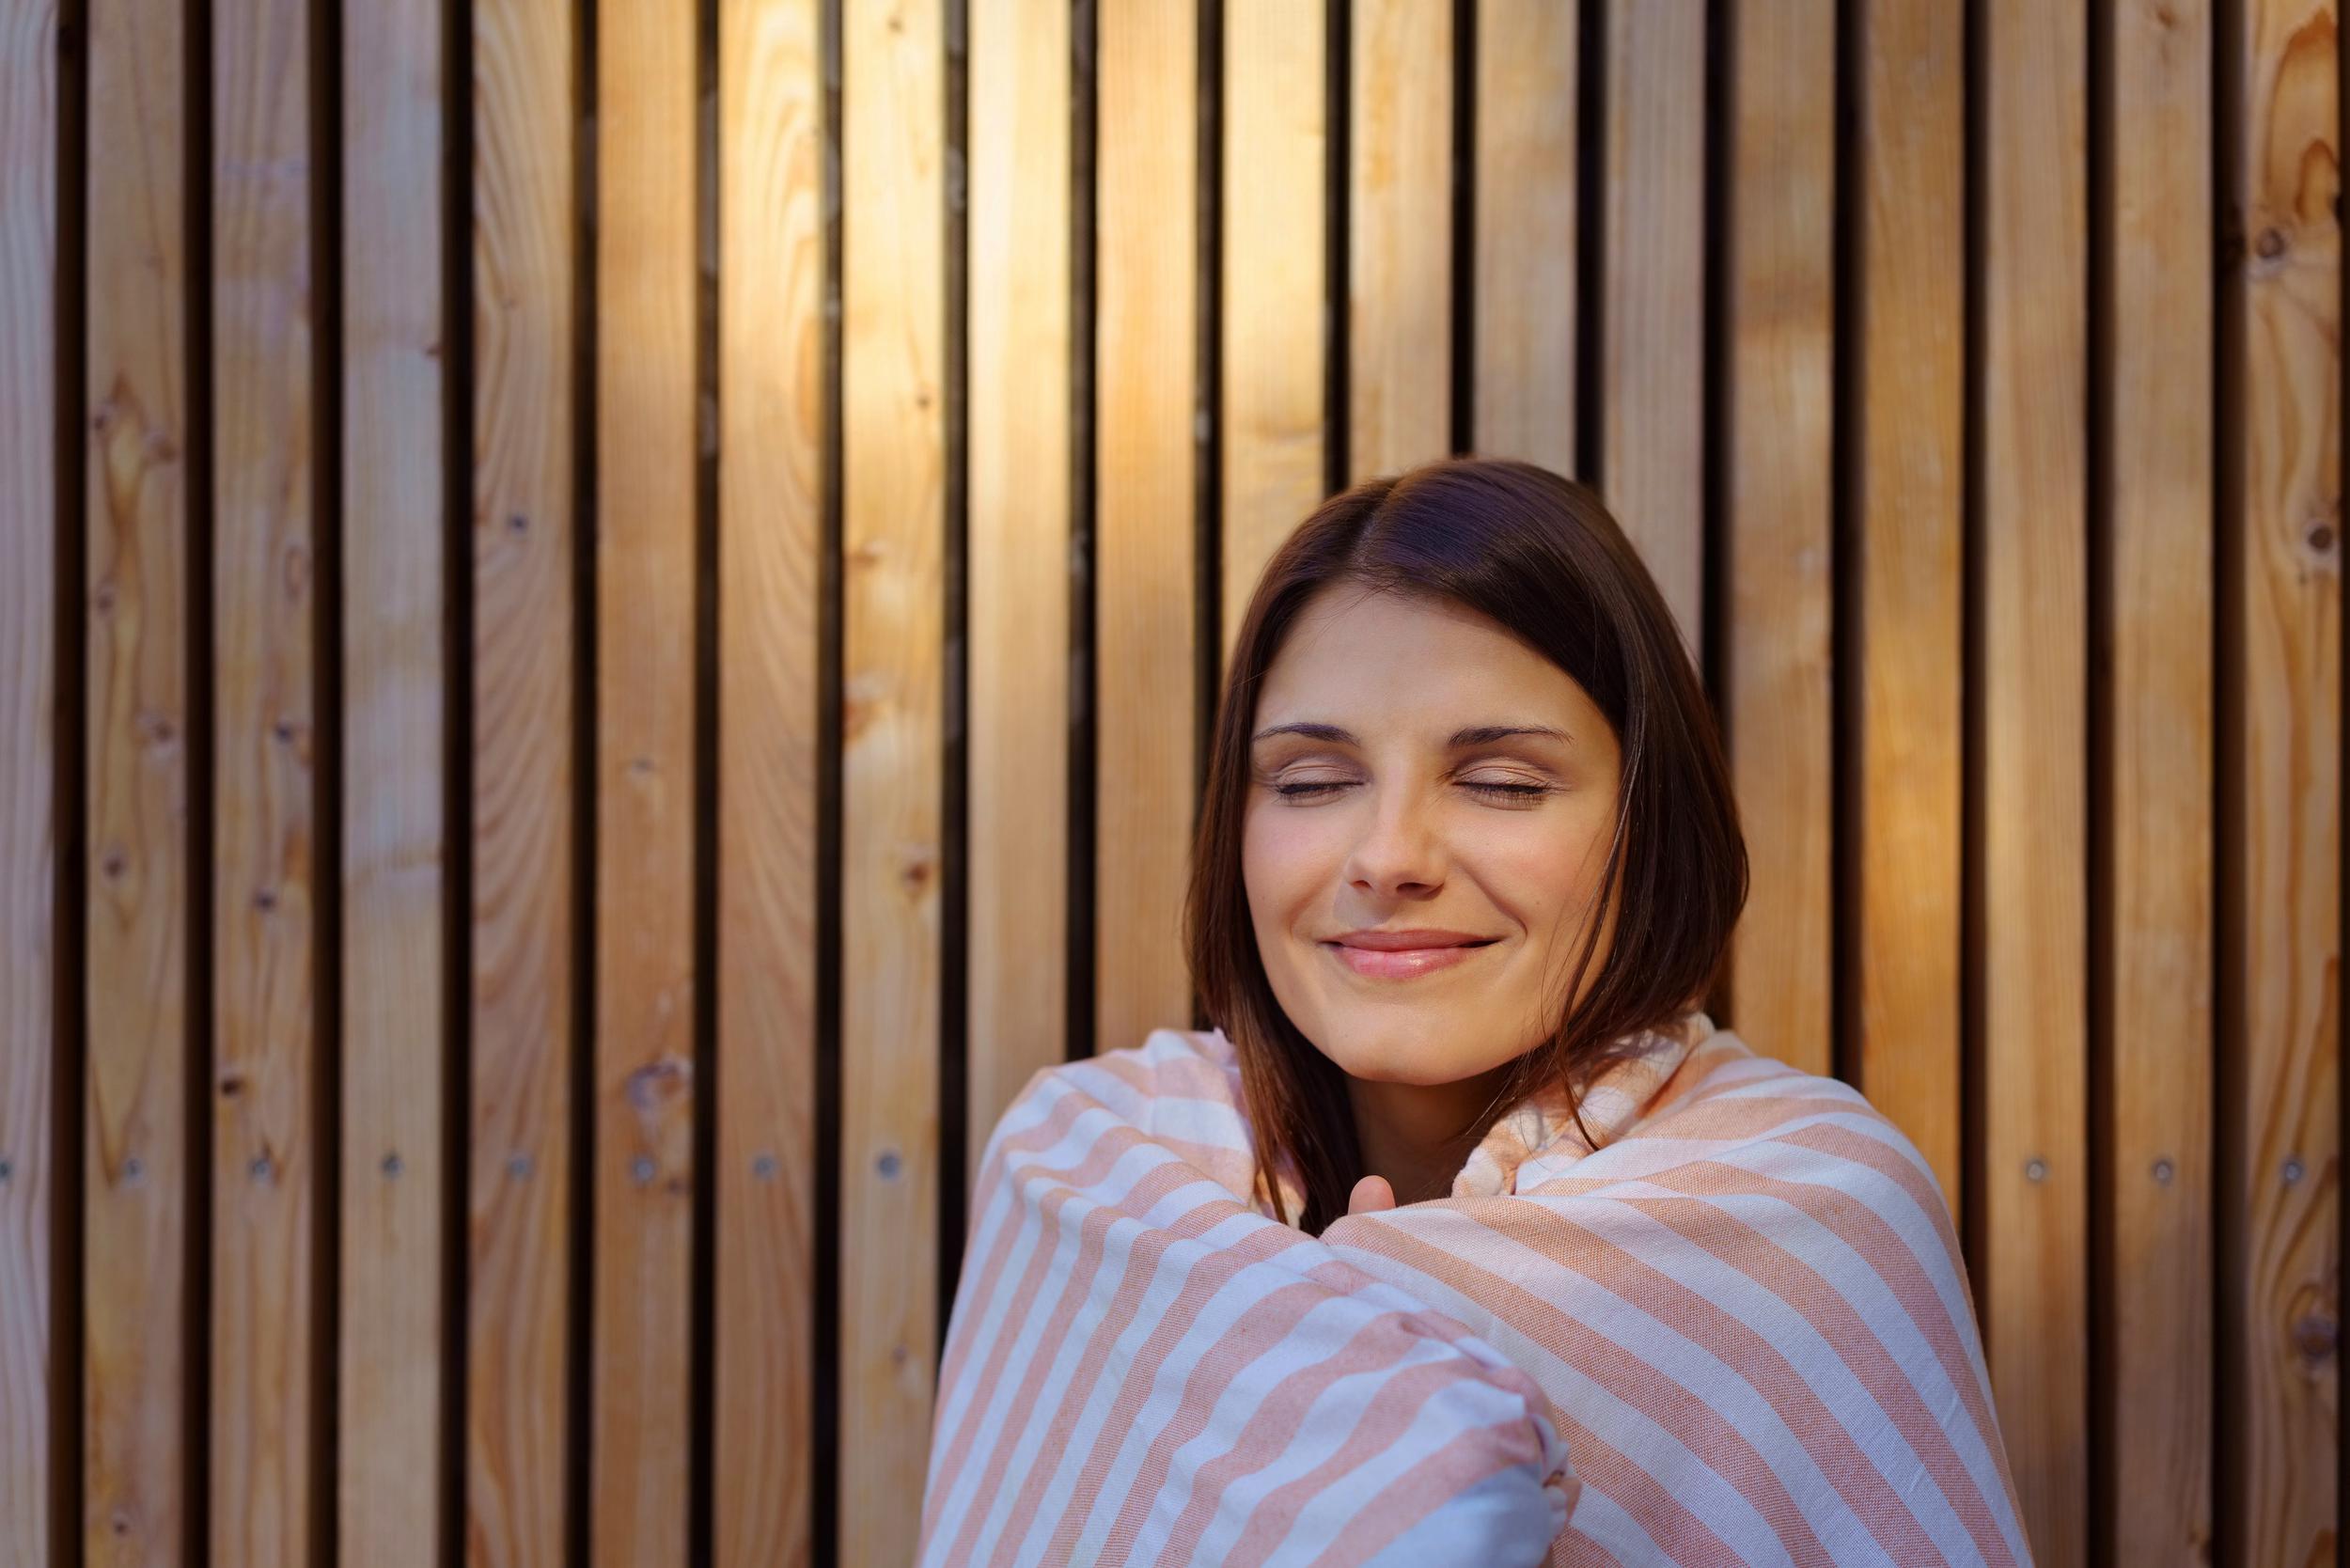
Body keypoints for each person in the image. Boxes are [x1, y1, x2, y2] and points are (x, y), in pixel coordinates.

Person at [919, 458, 2029, 1566]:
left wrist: (1374, 1333)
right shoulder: (1089, 1170)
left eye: (1502, 783)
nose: (1390, 857)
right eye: (1309, 782)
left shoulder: (1812, 1220)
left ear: (1649, 823)